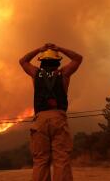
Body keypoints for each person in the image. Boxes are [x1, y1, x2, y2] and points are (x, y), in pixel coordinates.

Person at [19, 43, 83, 181]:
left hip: (40, 121)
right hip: (58, 118)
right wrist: (60, 48)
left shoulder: (36, 74)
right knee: (61, 159)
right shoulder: (64, 73)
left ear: (41, 62)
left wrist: (38, 49)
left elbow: (22, 61)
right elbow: (78, 59)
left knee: (41, 160)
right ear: (57, 61)